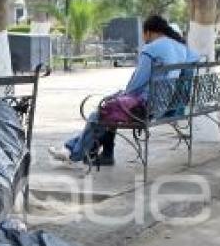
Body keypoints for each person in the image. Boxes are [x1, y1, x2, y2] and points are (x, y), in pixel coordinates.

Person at [48, 15, 199, 166]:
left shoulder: (152, 48)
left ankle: (74, 153)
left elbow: (137, 84)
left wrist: (123, 95)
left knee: (103, 111)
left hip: (147, 107)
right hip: (166, 105)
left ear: (148, 32)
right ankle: (83, 150)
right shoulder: (181, 48)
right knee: (109, 109)